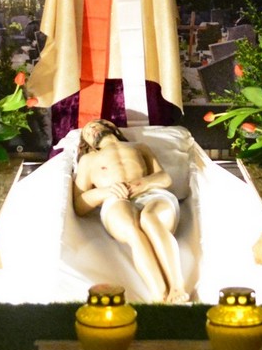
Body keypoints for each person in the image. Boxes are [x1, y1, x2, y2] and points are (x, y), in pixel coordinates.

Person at [72, 119, 187, 303]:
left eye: (95, 124)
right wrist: (107, 191)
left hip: (152, 194)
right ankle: (160, 295)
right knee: (132, 229)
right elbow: (79, 204)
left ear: (110, 126)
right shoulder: (88, 160)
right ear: (87, 143)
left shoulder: (139, 147)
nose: (92, 128)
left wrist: (145, 183)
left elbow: (164, 178)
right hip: (116, 199)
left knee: (150, 218)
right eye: (86, 131)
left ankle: (177, 287)